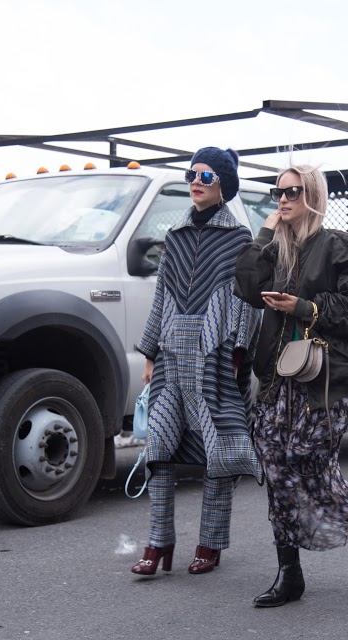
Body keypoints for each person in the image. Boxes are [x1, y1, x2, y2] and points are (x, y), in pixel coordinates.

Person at [234, 164, 348, 608]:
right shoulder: (277, 251)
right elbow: (244, 284)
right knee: (278, 474)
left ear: (312, 195)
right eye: (277, 192)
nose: (283, 199)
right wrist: (264, 232)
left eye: (292, 191)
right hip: (275, 385)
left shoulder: (340, 248)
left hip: (321, 384)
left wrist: (304, 306)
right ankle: (289, 574)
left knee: (312, 466)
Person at [131, 147, 262, 577]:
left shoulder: (238, 238)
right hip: (172, 358)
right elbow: (161, 297)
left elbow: (245, 304)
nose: (195, 182)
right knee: (160, 449)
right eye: (192, 174)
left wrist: (237, 354)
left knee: (218, 453)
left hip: (217, 358)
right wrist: (150, 353)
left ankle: (210, 543)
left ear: (223, 184)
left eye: (205, 176)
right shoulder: (176, 235)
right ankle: (158, 542)